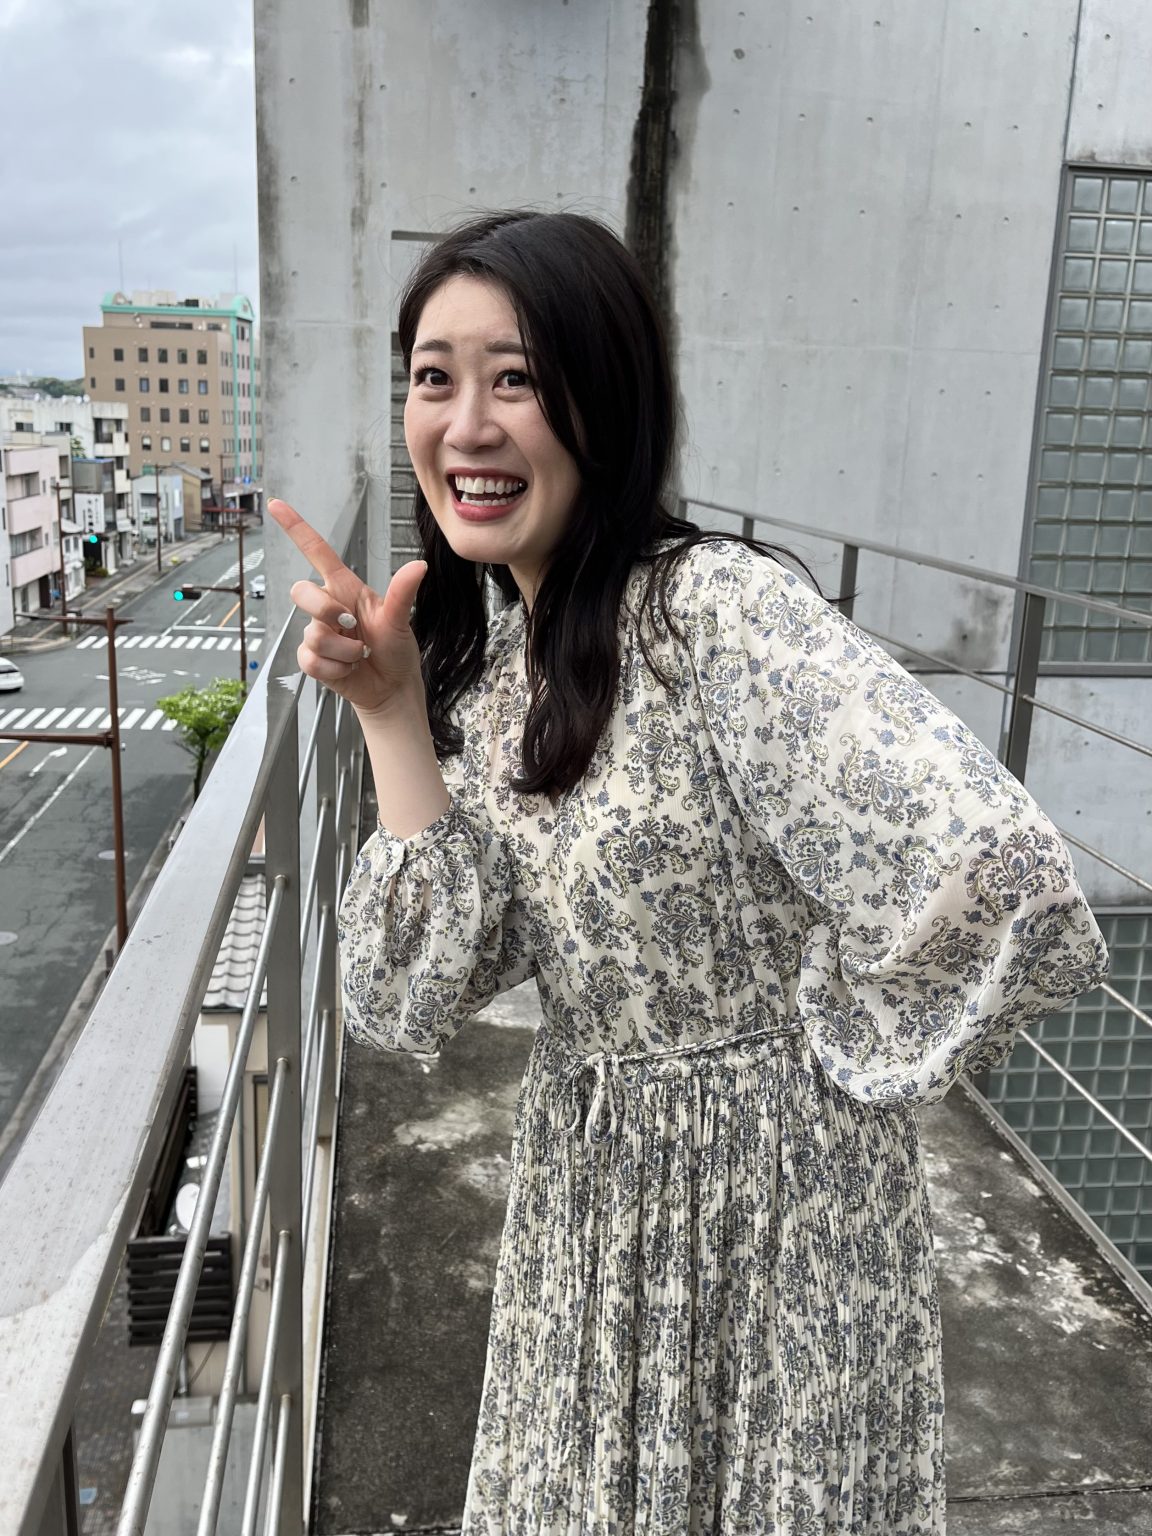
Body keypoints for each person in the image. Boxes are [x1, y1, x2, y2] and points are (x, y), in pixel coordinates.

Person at [269, 210, 1109, 1535]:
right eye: (435, 378)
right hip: (591, 1198)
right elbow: (406, 990)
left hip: (777, 1220)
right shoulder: (499, 664)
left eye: (517, 379)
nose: (467, 426)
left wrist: (816, 1059)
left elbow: (997, 870)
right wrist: (389, 713)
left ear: (608, 402)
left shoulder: (712, 612)